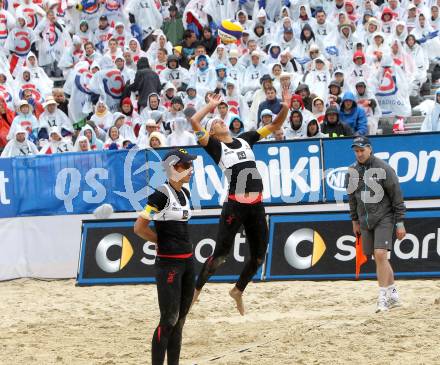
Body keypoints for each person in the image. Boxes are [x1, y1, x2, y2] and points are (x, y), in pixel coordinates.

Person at [190, 90, 290, 315]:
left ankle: (237, 290)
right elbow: (195, 121)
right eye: (214, 122)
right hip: (235, 205)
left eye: (219, 119)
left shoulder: (245, 139)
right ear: (211, 133)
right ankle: (195, 292)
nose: (219, 121)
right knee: (220, 256)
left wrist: (285, 106)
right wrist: (211, 107)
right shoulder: (215, 147)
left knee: (258, 257)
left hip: (256, 205)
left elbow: (275, 126)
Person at [134, 148, 196, 365]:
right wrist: (159, 240)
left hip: (188, 262)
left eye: (191, 165)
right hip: (169, 264)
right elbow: (139, 228)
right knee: (168, 320)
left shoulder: (185, 193)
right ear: (172, 168)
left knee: (180, 321)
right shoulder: (160, 194)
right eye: (186, 166)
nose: (191, 169)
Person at [346, 136, 406, 312]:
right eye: (356, 151)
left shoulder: (383, 167)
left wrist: (400, 222)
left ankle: (382, 297)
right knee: (378, 258)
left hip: (384, 216)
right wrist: (354, 220)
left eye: (361, 150)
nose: (359, 154)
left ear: (370, 149)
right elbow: (351, 198)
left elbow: (397, 195)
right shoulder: (352, 171)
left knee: (380, 254)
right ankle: (393, 292)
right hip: (364, 220)